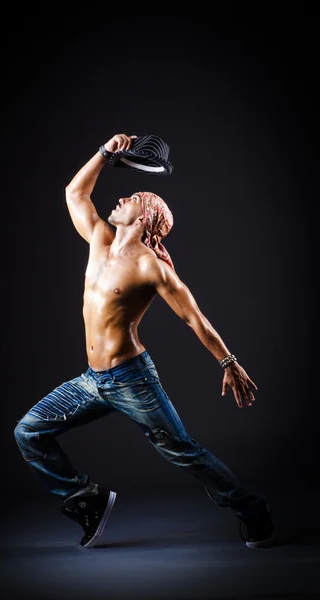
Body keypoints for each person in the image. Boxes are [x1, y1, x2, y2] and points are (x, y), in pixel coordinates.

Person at [14, 133, 274, 550]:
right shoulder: (98, 240)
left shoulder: (151, 268)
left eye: (133, 196)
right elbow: (74, 192)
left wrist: (229, 362)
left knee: (183, 452)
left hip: (131, 380)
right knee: (28, 432)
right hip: (90, 382)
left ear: (145, 217)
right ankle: (86, 498)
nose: (121, 198)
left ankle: (250, 509)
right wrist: (104, 153)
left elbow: (194, 317)